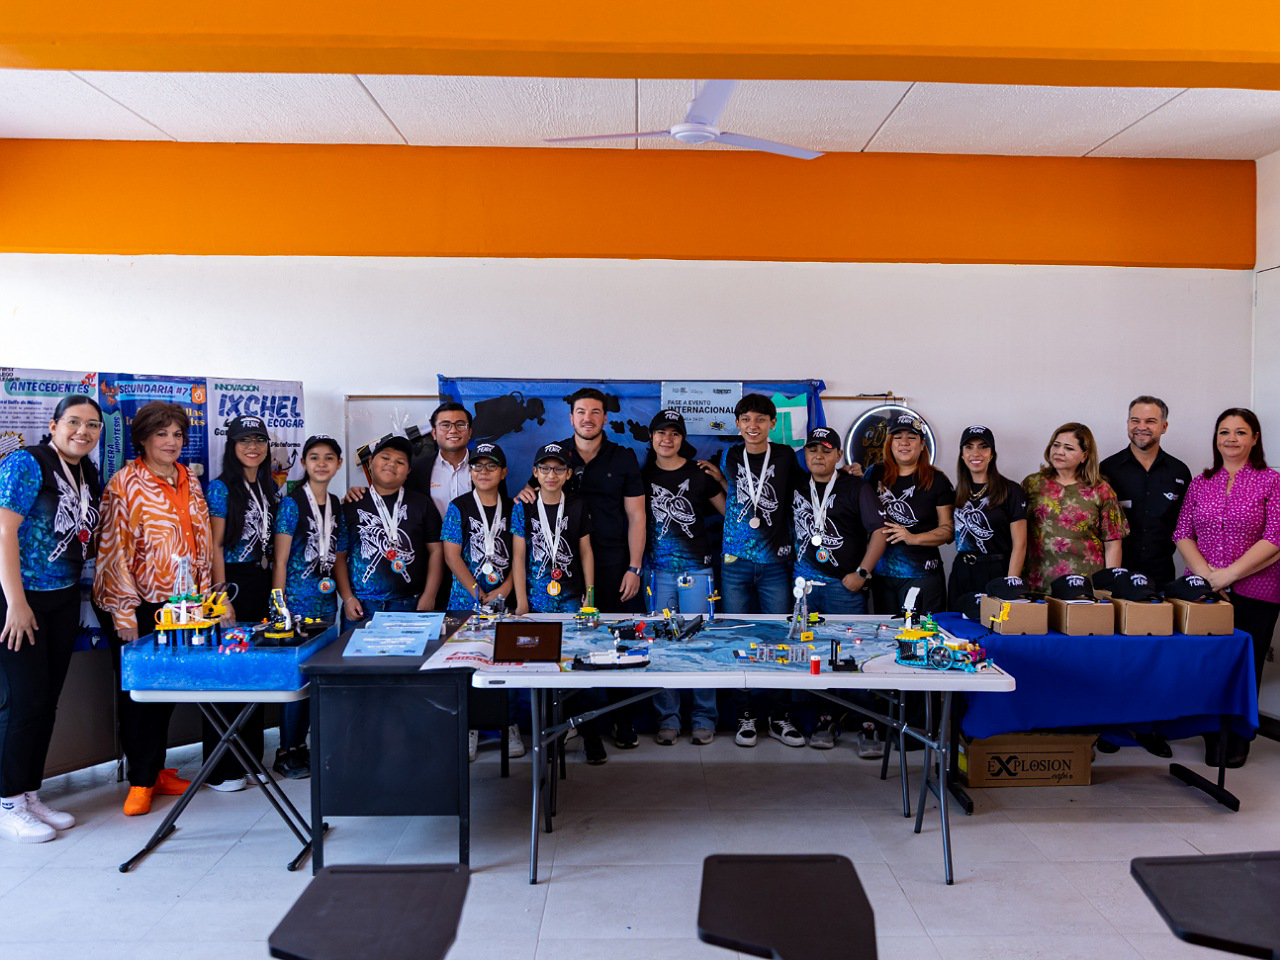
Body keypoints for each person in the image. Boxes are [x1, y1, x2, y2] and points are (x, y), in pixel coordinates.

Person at [94, 401, 211, 816]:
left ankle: (157, 771)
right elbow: (113, 552)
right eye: (162, 434)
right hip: (140, 605)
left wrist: (205, 599)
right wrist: (123, 613)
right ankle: (140, 782)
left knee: (167, 690)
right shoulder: (124, 483)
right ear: (142, 439)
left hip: (183, 603)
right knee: (138, 694)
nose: (171, 441)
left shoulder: (188, 479)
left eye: (177, 434)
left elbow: (199, 543)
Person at [517, 387, 645, 753]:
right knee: (573, 647)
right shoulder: (555, 455)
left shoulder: (623, 457)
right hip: (565, 572)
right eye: (581, 412)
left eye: (595, 412)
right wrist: (523, 494)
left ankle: (622, 719)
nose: (587, 418)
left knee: (619, 642)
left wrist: (635, 567)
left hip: (614, 566)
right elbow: (532, 495)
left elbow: (637, 515)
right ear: (571, 417)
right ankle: (577, 724)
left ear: (605, 417)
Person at [0, 395, 102, 842]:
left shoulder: (86, 471)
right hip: (19, 601)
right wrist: (15, 602)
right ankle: (8, 802)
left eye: (93, 425)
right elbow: (3, 530)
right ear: (54, 423)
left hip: (62, 599)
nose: (83, 431)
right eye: (74, 422)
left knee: (45, 702)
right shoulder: (27, 463)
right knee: (22, 703)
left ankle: (29, 793)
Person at [1173, 407, 1280, 767]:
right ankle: (1210, 730)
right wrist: (1207, 576)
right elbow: (1182, 533)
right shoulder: (1201, 482)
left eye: (1240, 432)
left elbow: (1275, 536)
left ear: (1255, 438)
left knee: (1245, 664)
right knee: (1206, 662)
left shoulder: (1271, 481)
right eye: (1224, 432)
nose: (1231, 439)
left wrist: (1230, 574)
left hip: (1258, 589)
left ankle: (1238, 735)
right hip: (1204, 591)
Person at [700, 394, 802, 748]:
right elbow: (739, 495)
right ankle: (745, 715)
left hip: (775, 563)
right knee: (738, 638)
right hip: (735, 562)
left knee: (779, 638)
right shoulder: (730, 455)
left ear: (772, 423)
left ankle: (779, 716)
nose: (753, 425)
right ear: (738, 424)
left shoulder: (786, 456)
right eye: (746, 419)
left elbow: (804, 491)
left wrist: (846, 474)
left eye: (760, 419)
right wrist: (719, 479)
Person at [791, 426, 886, 751]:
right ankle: (825, 719)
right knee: (813, 655)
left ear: (839, 455)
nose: (818, 455)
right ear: (805, 454)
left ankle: (867, 724)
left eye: (826, 450)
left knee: (852, 655)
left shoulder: (856, 486)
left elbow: (879, 531)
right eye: (812, 449)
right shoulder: (795, 484)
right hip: (804, 589)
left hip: (843, 587)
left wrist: (862, 572)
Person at [641, 410, 725, 746]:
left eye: (674, 433)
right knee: (662, 645)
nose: (667, 439)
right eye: (661, 433)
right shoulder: (641, 476)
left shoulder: (698, 474)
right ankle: (669, 720)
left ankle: (704, 717)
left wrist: (721, 480)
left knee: (701, 642)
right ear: (651, 437)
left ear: (682, 439)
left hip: (697, 570)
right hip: (657, 572)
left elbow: (729, 512)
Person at [204, 415, 277, 792]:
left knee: (254, 670)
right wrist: (219, 597)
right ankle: (221, 768)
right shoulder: (220, 489)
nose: (253, 447)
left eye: (259, 440)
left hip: (261, 583)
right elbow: (215, 546)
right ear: (232, 446)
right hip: (230, 584)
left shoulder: (269, 487)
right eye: (244, 440)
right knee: (226, 672)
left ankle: (251, 758)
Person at [271, 434, 350, 779]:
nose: (321, 463)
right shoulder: (292, 504)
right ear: (303, 463)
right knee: (294, 678)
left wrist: (345, 597)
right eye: (314, 457)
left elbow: (339, 557)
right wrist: (279, 605)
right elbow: (280, 560)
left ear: (338, 464)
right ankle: (286, 750)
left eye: (329, 457)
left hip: (325, 605)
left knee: (314, 678)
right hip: (295, 606)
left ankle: (302, 746)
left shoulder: (336, 504)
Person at [511, 443, 597, 760]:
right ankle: (550, 734)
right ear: (535, 472)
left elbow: (586, 551)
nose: (551, 474)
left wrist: (591, 594)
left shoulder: (577, 504)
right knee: (541, 669)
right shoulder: (523, 508)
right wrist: (521, 602)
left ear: (568, 474)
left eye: (559, 469)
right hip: (536, 602)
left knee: (577, 665)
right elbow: (518, 557)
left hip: (572, 599)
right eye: (545, 468)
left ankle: (586, 732)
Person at [440, 442, 523, 761]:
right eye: (477, 466)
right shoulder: (458, 507)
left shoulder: (515, 507)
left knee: (508, 662)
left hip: (504, 601)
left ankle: (509, 724)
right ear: (470, 472)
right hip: (465, 602)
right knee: (467, 664)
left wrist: (503, 591)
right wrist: (477, 592)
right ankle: (470, 727)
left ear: (503, 472)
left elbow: (521, 556)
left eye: (491, 466)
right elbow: (451, 555)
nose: (483, 472)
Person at [337, 436, 443, 628]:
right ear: (371, 462)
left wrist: (430, 595)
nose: (391, 464)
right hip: (362, 606)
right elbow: (339, 556)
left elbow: (436, 551)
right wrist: (347, 598)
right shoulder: (351, 505)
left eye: (400, 462)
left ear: (408, 471)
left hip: (410, 605)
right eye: (385, 458)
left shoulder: (422, 504)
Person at [864, 414, 954, 615]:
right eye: (898, 437)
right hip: (881, 575)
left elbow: (948, 530)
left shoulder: (937, 479)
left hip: (922, 575)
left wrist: (913, 538)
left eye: (911, 437)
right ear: (890, 443)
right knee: (886, 632)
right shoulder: (873, 474)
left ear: (922, 445)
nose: (904, 442)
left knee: (921, 632)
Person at [1022, 422, 1128, 593]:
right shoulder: (1032, 484)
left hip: (1085, 588)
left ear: (1084, 455)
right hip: (1037, 585)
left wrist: (1108, 588)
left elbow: (1113, 543)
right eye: (1056, 445)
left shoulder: (1101, 490)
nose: (1059, 451)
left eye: (1069, 448)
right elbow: (1017, 534)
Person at [1099, 396, 1192, 586]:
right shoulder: (1107, 469)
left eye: (1150, 421)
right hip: (1115, 575)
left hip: (1161, 577)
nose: (1141, 427)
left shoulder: (1179, 472)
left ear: (1164, 426)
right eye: (1135, 420)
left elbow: (1186, 527)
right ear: (1127, 423)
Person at [949, 425, 1028, 607]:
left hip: (996, 571)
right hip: (962, 571)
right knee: (958, 622)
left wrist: (1011, 585)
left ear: (992, 454)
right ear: (962, 455)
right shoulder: (957, 492)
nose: (975, 453)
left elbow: (1020, 544)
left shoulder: (1011, 490)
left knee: (994, 622)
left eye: (983, 447)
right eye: (969, 447)